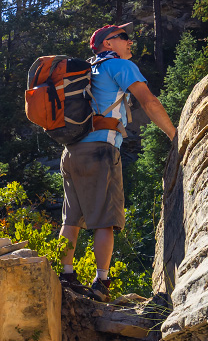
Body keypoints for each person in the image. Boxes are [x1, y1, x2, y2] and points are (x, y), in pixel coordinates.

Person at [58, 23, 177, 301]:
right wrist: (174, 135)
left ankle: (65, 274)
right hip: (101, 150)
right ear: (108, 44)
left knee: (71, 218)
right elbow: (149, 102)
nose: (130, 41)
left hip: (71, 152)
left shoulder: (87, 70)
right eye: (123, 37)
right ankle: (101, 282)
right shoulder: (118, 67)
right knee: (105, 221)